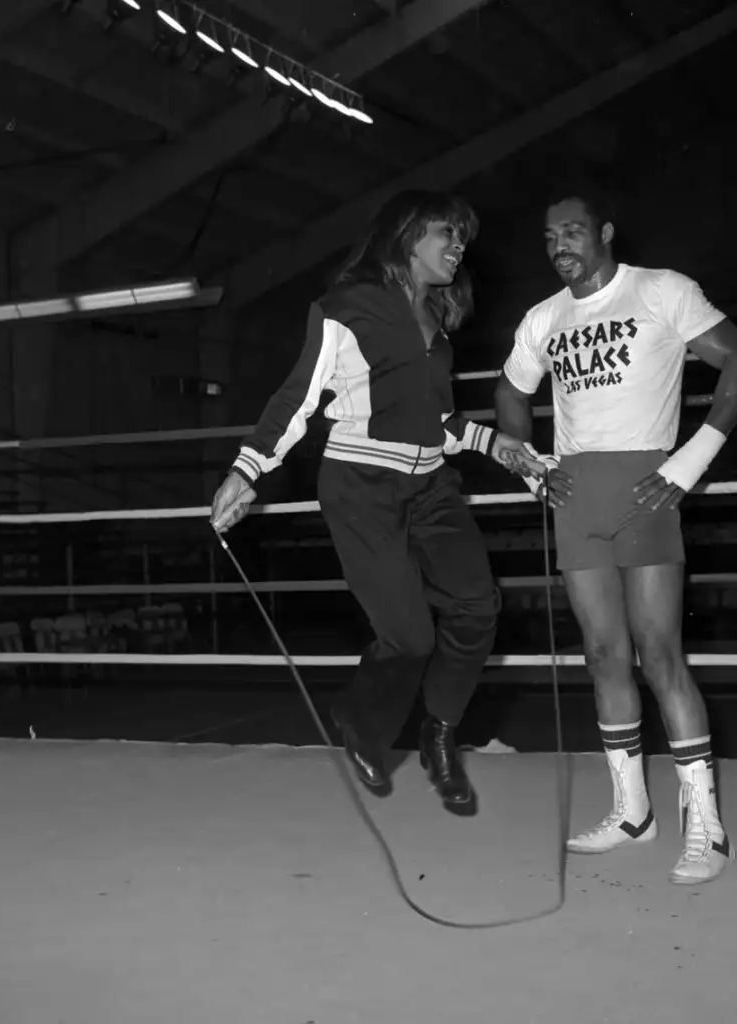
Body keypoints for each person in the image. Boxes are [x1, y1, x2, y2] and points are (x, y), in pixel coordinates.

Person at [211, 190, 546, 813]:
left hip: (432, 488)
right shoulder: (347, 308)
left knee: (477, 608)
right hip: (362, 489)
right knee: (410, 636)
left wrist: (493, 442)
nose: (458, 246)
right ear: (407, 235)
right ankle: (362, 720)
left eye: (462, 238)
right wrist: (246, 469)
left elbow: (440, 422)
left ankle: (439, 734)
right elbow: (297, 398)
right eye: (447, 232)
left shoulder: (438, 330)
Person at [495, 187, 737, 882]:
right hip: (575, 493)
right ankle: (632, 811)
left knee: (659, 653)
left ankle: (706, 824)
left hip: (649, 484)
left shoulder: (661, 291)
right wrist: (531, 466)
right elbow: (509, 392)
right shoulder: (544, 318)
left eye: (574, 232)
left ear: (605, 232)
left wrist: (691, 460)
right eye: (551, 237)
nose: (561, 246)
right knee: (602, 654)